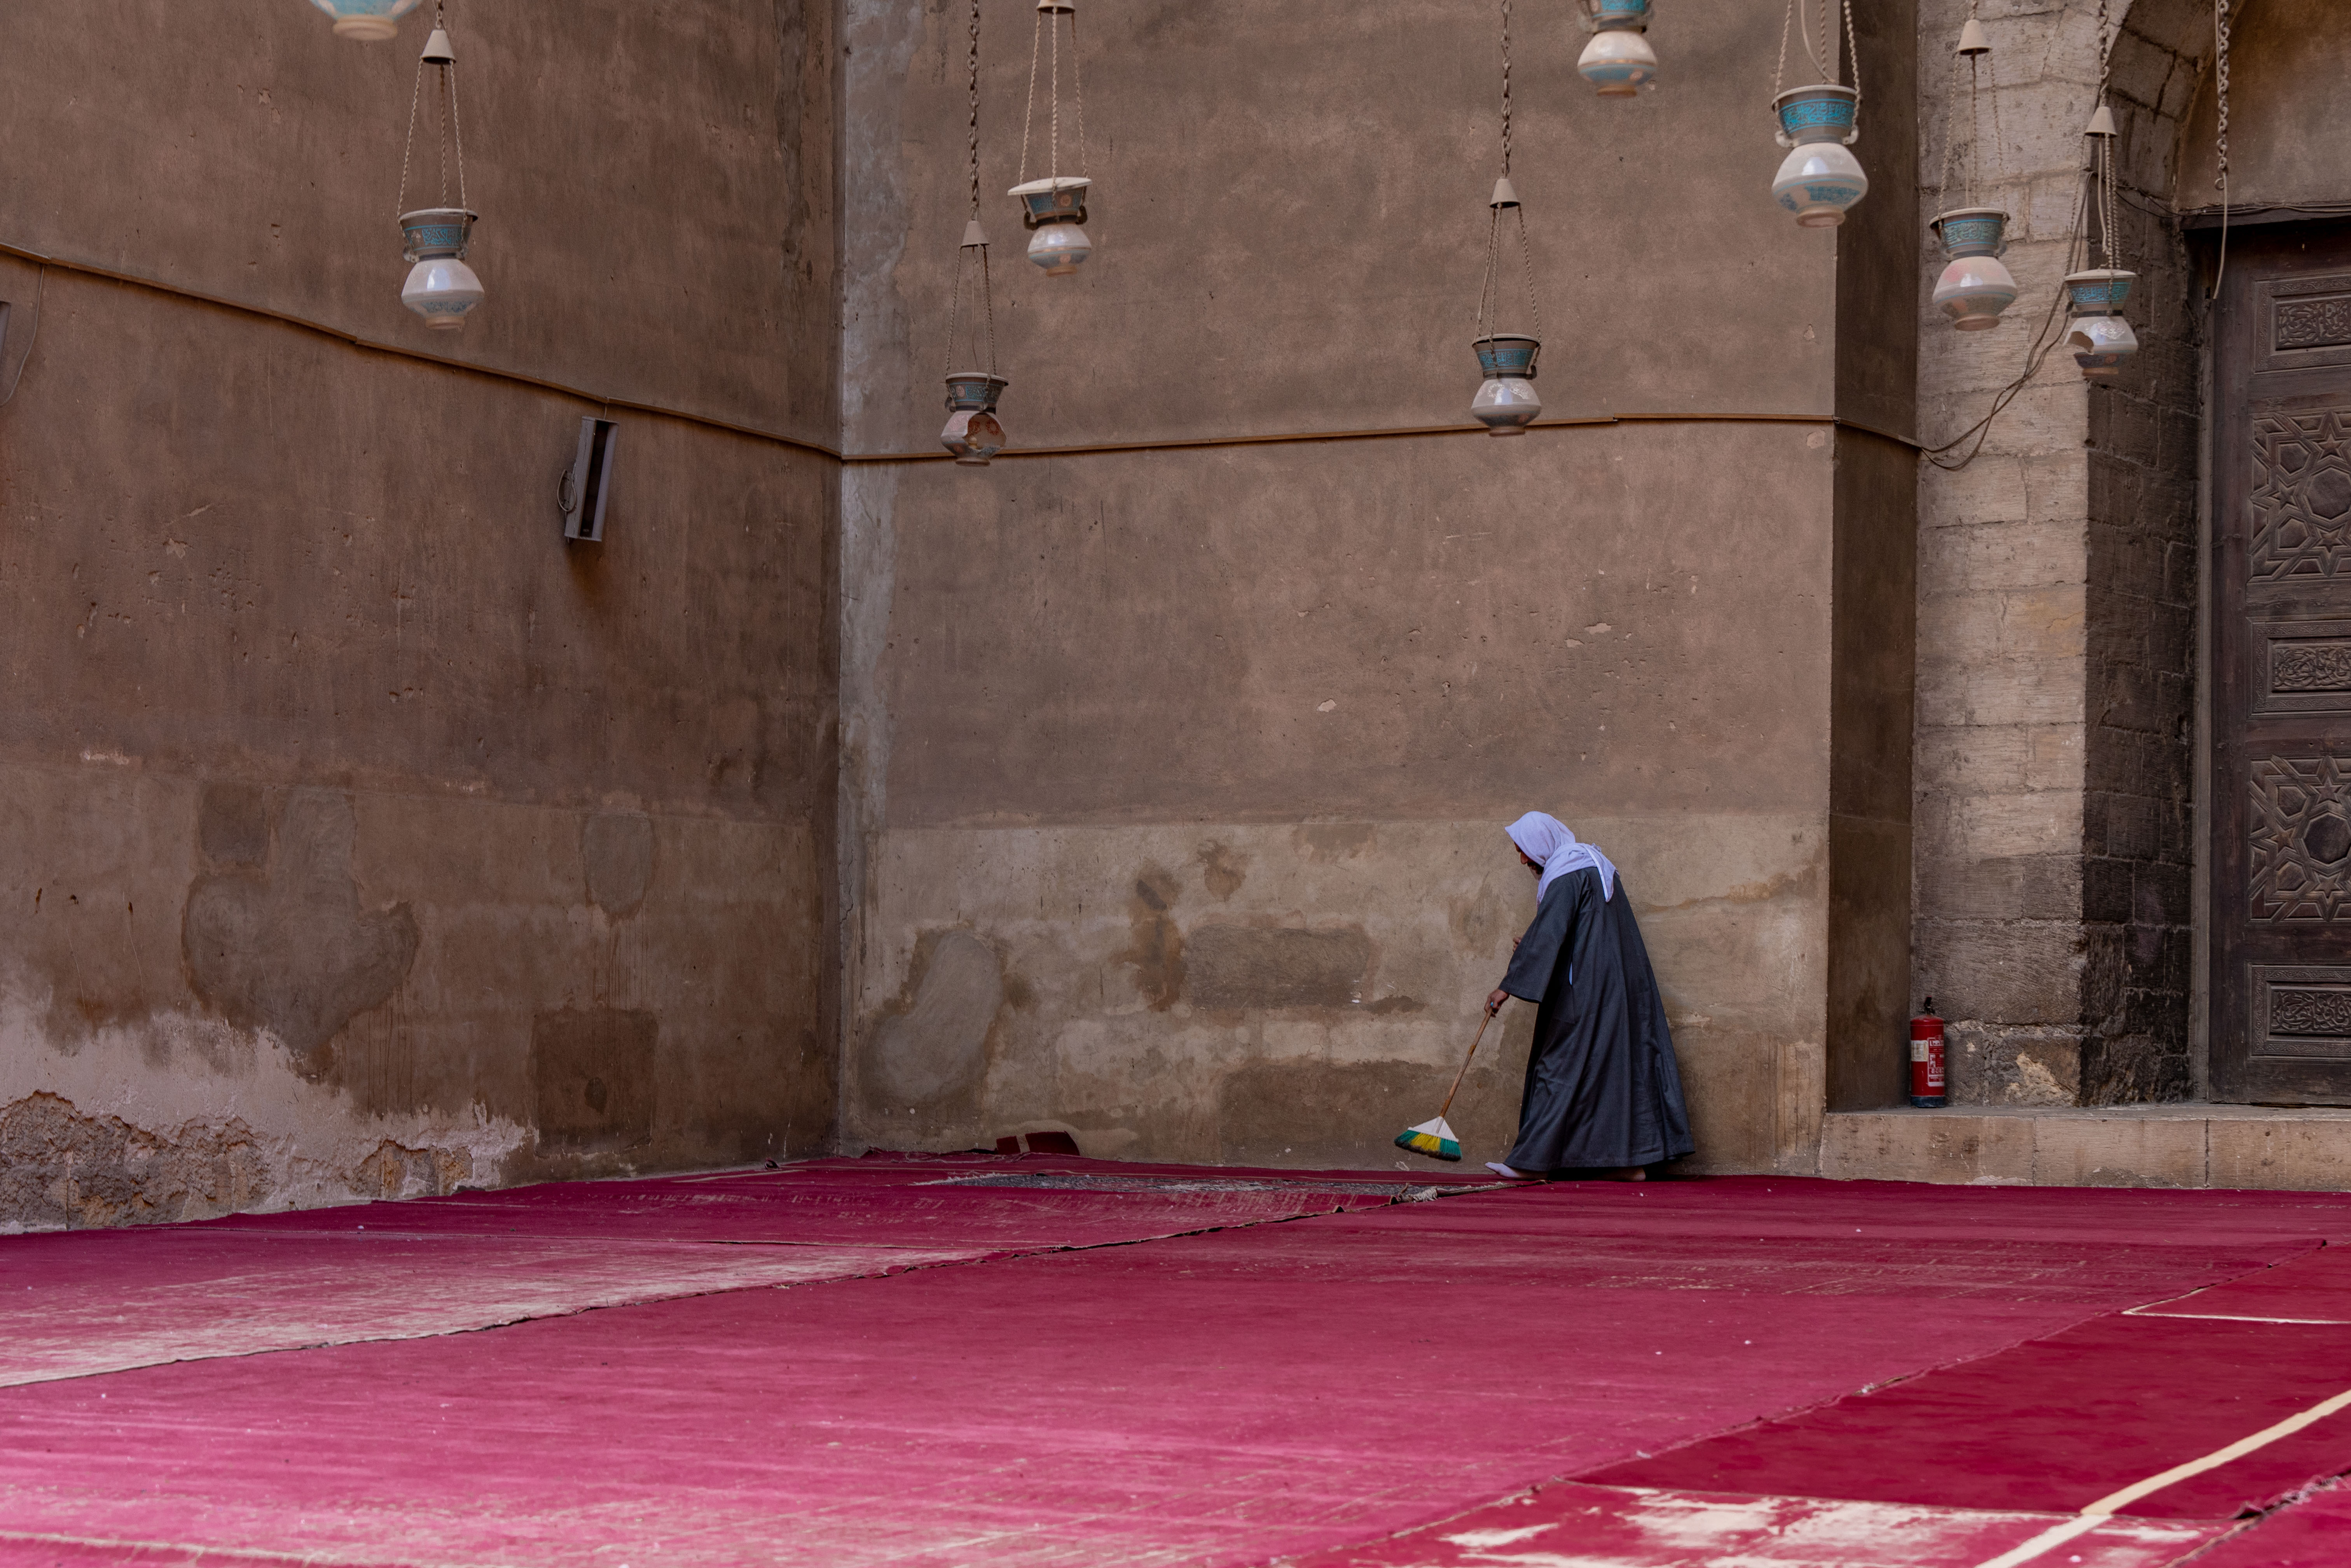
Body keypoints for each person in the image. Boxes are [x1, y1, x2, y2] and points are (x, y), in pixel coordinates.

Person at [1482, 812, 1694, 1181]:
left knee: (1558, 1069)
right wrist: (1533, 946)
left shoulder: (1565, 875)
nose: (1523, 861)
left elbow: (1552, 935)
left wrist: (1507, 988)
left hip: (1584, 995)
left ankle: (1530, 1162)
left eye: (1524, 851)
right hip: (1618, 992)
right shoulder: (1597, 867)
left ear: (1541, 845)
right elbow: (1582, 935)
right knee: (1611, 1072)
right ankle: (1627, 1165)